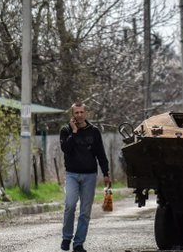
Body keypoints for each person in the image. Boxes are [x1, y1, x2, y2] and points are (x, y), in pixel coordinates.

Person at [60, 103, 111, 252]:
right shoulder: (65, 130)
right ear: (73, 114)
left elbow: (100, 153)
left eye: (82, 112)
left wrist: (106, 173)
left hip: (90, 175)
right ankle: (66, 237)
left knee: (85, 211)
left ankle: (78, 243)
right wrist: (74, 132)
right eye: (76, 113)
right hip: (72, 174)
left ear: (86, 113)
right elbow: (66, 149)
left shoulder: (94, 131)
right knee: (70, 205)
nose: (79, 115)